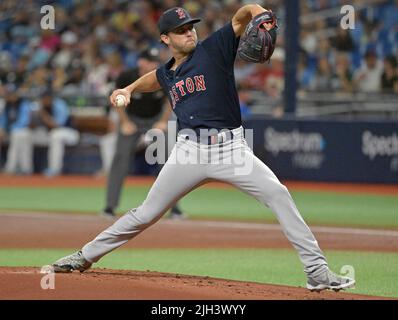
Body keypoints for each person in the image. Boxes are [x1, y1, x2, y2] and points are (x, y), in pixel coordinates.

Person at [50, 5, 355, 292]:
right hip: (188, 153)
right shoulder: (167, 72)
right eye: (181, 30)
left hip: (231, 149)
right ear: (165, 38)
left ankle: (316, 272)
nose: (189, 33)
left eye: (191, 27)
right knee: (146, 213)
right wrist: (128, 89)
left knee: (278, 194)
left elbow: (242, 15)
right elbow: (154, 79)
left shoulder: (214, 48)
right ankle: (84, 256)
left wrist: (260, 12)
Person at [100, 47, 185, 219]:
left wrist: (162, 121)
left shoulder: (164, 75)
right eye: (149, 61)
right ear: (141, 62)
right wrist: (124, 122)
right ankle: (109, 207)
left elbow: (172, 99)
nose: (153, 64)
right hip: (132, 120)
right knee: (120, 160)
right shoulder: (128, 76)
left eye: (155, 61)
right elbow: (116, 98)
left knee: (168, 162)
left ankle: (174, 208)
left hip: (155, 120)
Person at [19, 89, 79, 176]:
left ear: (51, 98)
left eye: (47, 98)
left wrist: (43, 115)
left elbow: (57, 126)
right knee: (24, 135)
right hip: (49, 134)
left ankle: (55, 169)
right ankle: (25, 169)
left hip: (69, 133)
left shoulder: (59, 105)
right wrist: (32, 118)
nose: (44, 100)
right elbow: (30, 127)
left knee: (56, 136)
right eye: (43, 99)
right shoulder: (38, 106)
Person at [0, 85, 32, 174]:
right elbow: (3, 120)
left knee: (18, 136)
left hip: (23, 130)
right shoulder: (7, 105)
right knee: (14, 135)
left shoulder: (23, 103)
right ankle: (16, 167)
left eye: (13, 94)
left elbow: (24, 121)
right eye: (9, 94)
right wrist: (2, 129)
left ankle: (15, 167)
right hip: (10, 132)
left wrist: (9, 129)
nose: (11, 96)